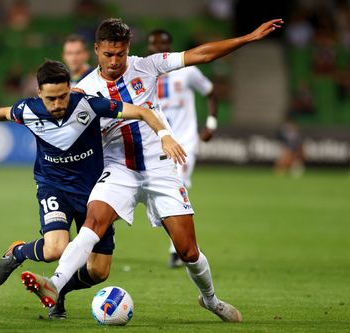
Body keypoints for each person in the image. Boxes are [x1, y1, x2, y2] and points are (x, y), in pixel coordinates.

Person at [21, 17, 283, 323]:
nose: (115, 61)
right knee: (94, 223)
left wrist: (248, 37)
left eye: (120, 54)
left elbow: (200, 55)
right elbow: (49, 116)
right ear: (97, 50)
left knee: (187, 251)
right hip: (119, 170)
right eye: (108, 54)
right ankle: (54, 282)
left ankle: (211, 300)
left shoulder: (147, 66)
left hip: (160, 168)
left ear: (128, 48)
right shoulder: (84, 91)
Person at [0, 60, 185, 319]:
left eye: (63, 96)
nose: (58, 104)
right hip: (54, 188)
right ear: (39, 93)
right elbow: (5, 112)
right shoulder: (27, 110)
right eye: (51, 99)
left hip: (95, 193)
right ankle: (16, 252)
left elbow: (142, 111)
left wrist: (165, 135)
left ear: (70, 89)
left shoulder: (89, 105)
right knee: (55, 249)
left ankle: (57, 291)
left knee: (98, 272)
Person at [147, 28, 218, 268]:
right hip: (157, 142)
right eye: (154, 45)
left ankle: (177, 251)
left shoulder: (188, 71)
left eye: (163, 44)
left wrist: (211, 123)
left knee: (179, 184)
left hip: (185, 142)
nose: (159, 48)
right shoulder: (145, 71)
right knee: (155, 194)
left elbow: (210, 91)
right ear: (149, 48)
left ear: (170, 45)